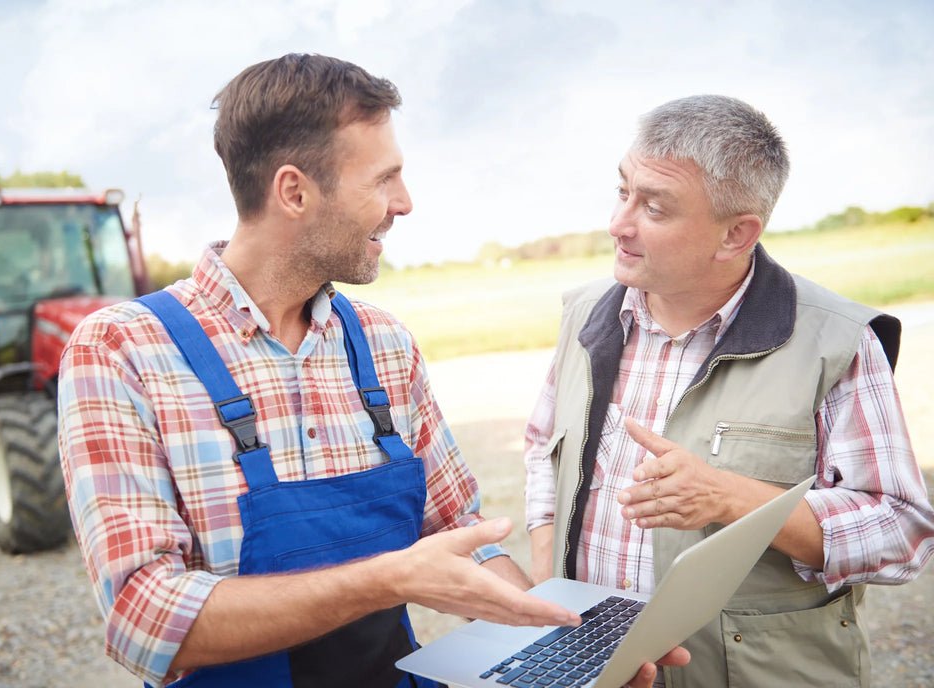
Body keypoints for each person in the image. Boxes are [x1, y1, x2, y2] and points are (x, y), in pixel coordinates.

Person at [58, 54, 685, 688]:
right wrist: (386, 579)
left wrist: (561, 639)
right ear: (294, 191)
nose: (405, 204)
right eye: (384, 179)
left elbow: (459, 531)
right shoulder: (122, 350)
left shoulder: (383, 343)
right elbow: (142, 617)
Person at [524, 94, 934, 687]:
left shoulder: (839, 342)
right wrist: (549, 593)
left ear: (735, 234)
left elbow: (902, 531)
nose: (619, 224)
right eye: (623, 192)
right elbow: (543, 449)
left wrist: (731, 498)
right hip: (594, 671)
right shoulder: (584, 315)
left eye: (655, 208)